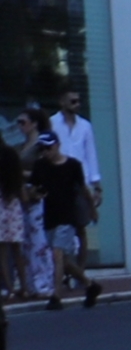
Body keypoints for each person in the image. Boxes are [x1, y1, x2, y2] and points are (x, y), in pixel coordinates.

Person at [30, 132, 97, 309]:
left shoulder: (73, 165)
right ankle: (90, 284)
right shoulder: (40, 166)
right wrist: (36, 193)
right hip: (50, 216)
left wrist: (91, 209)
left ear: (57, 145)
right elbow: (34, 188)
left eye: (48, 147)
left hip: (68, 216)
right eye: (42, 149)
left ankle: (56, 296)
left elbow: (83, 190)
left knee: (57, 254)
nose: (45, 152)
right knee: (64, 261)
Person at [50, 89, 102, 272]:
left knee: (81, 227)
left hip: (81, 182)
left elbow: (91, 155)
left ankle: (80, 270)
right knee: (61, 229)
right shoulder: (52, 123)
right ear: (62, 102)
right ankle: (63, 269)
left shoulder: (85, 126)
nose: (77, 104)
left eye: (78, 101)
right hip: (59, 182)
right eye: (72, 101)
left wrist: (96, 185)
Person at [0, 140, 26, 302]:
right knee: (17, 250)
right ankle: (24, 286)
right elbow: (20, 184)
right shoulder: (11, 155)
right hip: (13, 205)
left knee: (2, 253)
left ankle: (9, 288)